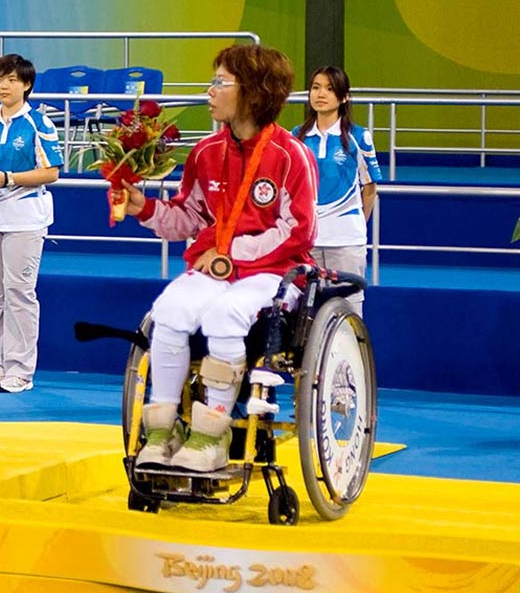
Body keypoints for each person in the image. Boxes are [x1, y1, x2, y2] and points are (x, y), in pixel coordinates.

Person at [119, 44, 317, 472]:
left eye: (220, 82)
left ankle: (212, 433)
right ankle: (161, 429)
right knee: (168, 310)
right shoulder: (206, 153)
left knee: (225, 316)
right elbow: (190, 216)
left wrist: (230, 253)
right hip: (215, 266)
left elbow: (299, 230)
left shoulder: (290, 156)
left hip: (273, 274)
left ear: (253, 91)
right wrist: (144, 208)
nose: (210, 91)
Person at [0, 54, 62, 394]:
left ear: (27, 85)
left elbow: (51, 172)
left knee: (19, 292)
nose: (4, 86)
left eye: (12, 80)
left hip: (25, 218)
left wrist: (8, 178)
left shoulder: (39, 123)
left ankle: (20, 370)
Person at [294, 66, 380, 315]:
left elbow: (369, 189)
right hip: (306, 241)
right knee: (304, 312)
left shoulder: (359, 137)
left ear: (343, 97)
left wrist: (355, 228)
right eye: (316, 87)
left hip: (345, 242)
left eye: (330, 89)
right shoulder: (296, 137)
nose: (321, 94)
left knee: (348, 310)